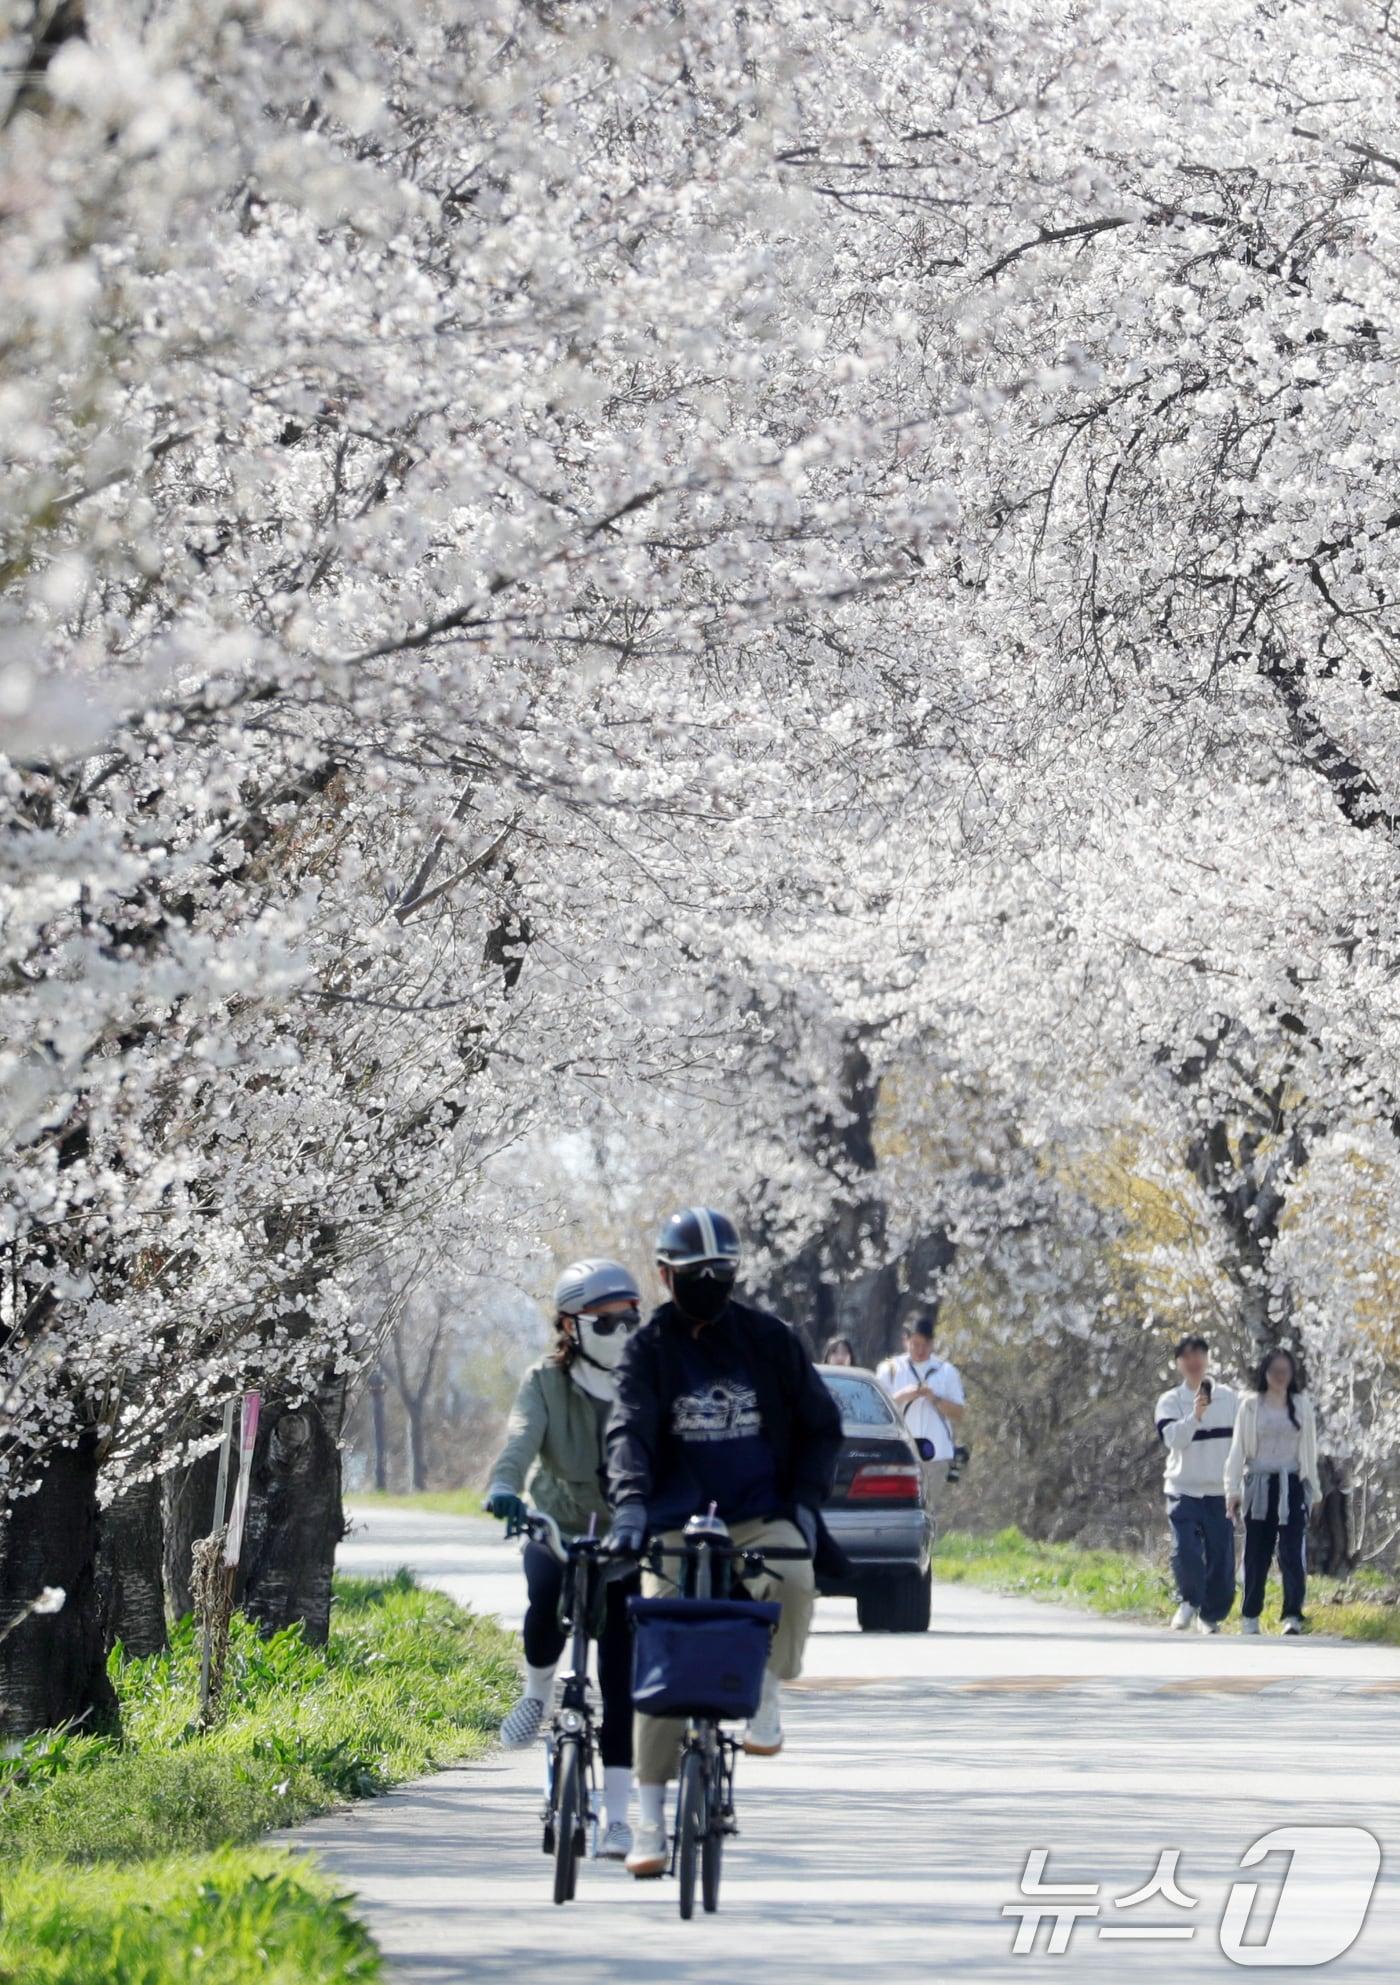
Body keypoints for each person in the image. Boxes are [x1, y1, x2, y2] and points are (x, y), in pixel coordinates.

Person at [606, 1205, 842, 1879]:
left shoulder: (769, 1340)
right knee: (662, 1645)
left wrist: (802, 1502)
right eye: (694, 1273)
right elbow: (628, 1429)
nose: (709, 1281)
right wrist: (630, 1507)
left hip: (757, 1511)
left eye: (721, 1272)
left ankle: (767, 1687)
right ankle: (649, 1817)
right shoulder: (649, 1350)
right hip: (677, 1520)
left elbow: (821, 1424)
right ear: (665, 1275)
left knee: (794, 1571)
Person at [484, 1257, 644, 1860]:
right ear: (571, 1326)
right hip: (555, 1524)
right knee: (545, 1592)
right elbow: (521, 1438)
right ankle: (536, 1693)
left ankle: (621, 1819)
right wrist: (504, 1488)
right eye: (605, 1323)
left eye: (630, 1319)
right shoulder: (544, 1381)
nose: (621, 1333)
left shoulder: (641, 1383)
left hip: (624, 1539)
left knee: (622, 1674)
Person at [1226, 1347, 1321, 1637]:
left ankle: (1292, 1613)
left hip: (1291, 1484)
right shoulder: (1251, 1406)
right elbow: (1237, 1449)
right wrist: (1232, 1491)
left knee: (1292, 1551)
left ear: (1292, 1375)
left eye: (1285, 1371)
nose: (1280, 1377)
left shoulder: (1301, 1405)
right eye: (1274, 1371)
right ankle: (1251, 1614)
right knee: (1257, 1552)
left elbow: (1310, 1450)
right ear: (1265, 1373)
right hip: (1258, 1485)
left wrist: (1313, 1491)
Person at [1154, 1333, 1238, 1634]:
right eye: (1186, 1356)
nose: (1193, 1362)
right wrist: (1195, 1415)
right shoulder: (1170, 1401)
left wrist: (1240, 1484)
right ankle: (1189, 1600)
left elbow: (1243, 1444)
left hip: (1219, 1490)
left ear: (1208, 1358)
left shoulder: (1230, 1398)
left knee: (1222, 1559)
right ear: (1177, 1363)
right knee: (1185, 1550)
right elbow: (1173, 1438)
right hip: (1183, 1488)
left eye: (1198, 1354)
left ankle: (1210, 1615)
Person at [879, 1317, 965, 1496]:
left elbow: (959, 1413)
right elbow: (878, 1409)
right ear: (906, 1341)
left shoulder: (946, 1371)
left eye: (925, 1344)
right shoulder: (890, 1369)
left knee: (933, 1511)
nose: (920, 1350)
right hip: (899, 1456)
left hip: (937, 1456)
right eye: (915, 1343)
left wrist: (935, 1399)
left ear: (933, 1344)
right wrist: (903, 1396)